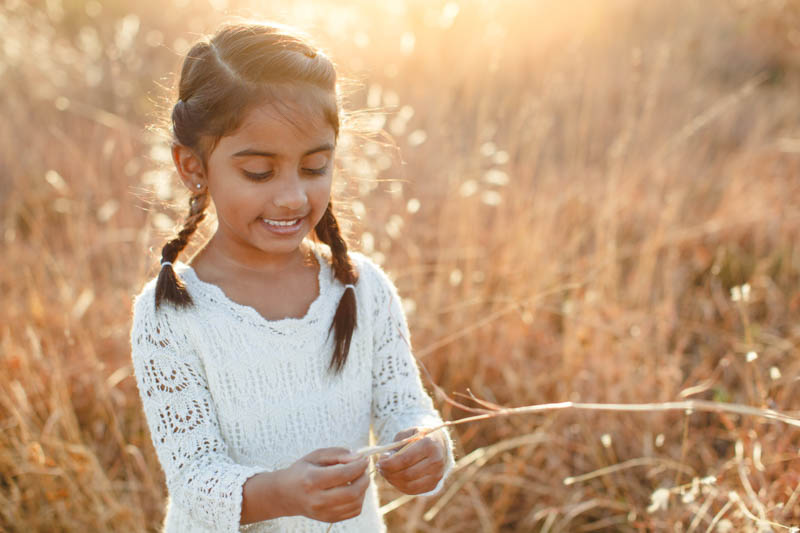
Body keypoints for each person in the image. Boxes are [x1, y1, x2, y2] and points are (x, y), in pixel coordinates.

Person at [128, 19, 455, 533]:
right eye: (259, 172)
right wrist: (283, 493)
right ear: (193, 167)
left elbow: (404, 405)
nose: (291, 197)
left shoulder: (361, 289)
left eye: (313, 167)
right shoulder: (170, 315)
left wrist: (423, 441)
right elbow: (194, 479)